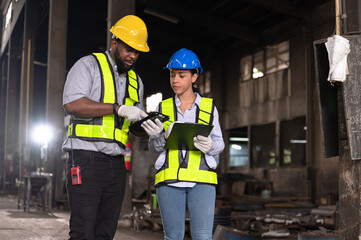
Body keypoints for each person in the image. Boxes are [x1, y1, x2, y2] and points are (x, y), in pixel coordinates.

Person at [62, 15, 149, 239]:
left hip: (117, 166)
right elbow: (72, 104)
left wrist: (147, 126)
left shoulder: (136, 82)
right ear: (114, 43)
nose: (132, 56)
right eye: (129, 49)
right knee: (83, 231)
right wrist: (117, 108)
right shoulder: (88, 65)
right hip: (86, 159)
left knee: (105, 233)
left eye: (137, 52)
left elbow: (131, 126)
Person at [141, 48, 225, 240]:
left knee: (203, 237)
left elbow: (220, 144)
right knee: (172, 237)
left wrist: (210, 145)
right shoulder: (163, 108)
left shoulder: (209, 108)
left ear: (194, 77)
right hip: (169, 182)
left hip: (202, 181)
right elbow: (152, 148)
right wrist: (161, 139)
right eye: (172, 75)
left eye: (181, 75)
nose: (175, 80)